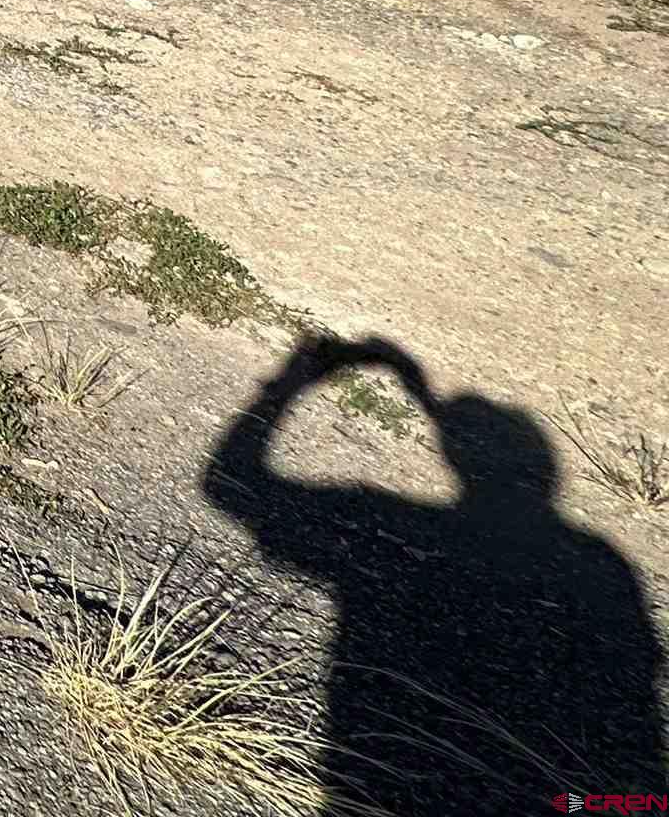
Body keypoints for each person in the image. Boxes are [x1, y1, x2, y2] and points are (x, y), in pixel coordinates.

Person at [207, 332, 666, 803]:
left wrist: (289, 381)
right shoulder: (600, 563)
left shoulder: (386, 523)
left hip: (376, 776)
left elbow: (231, 484)